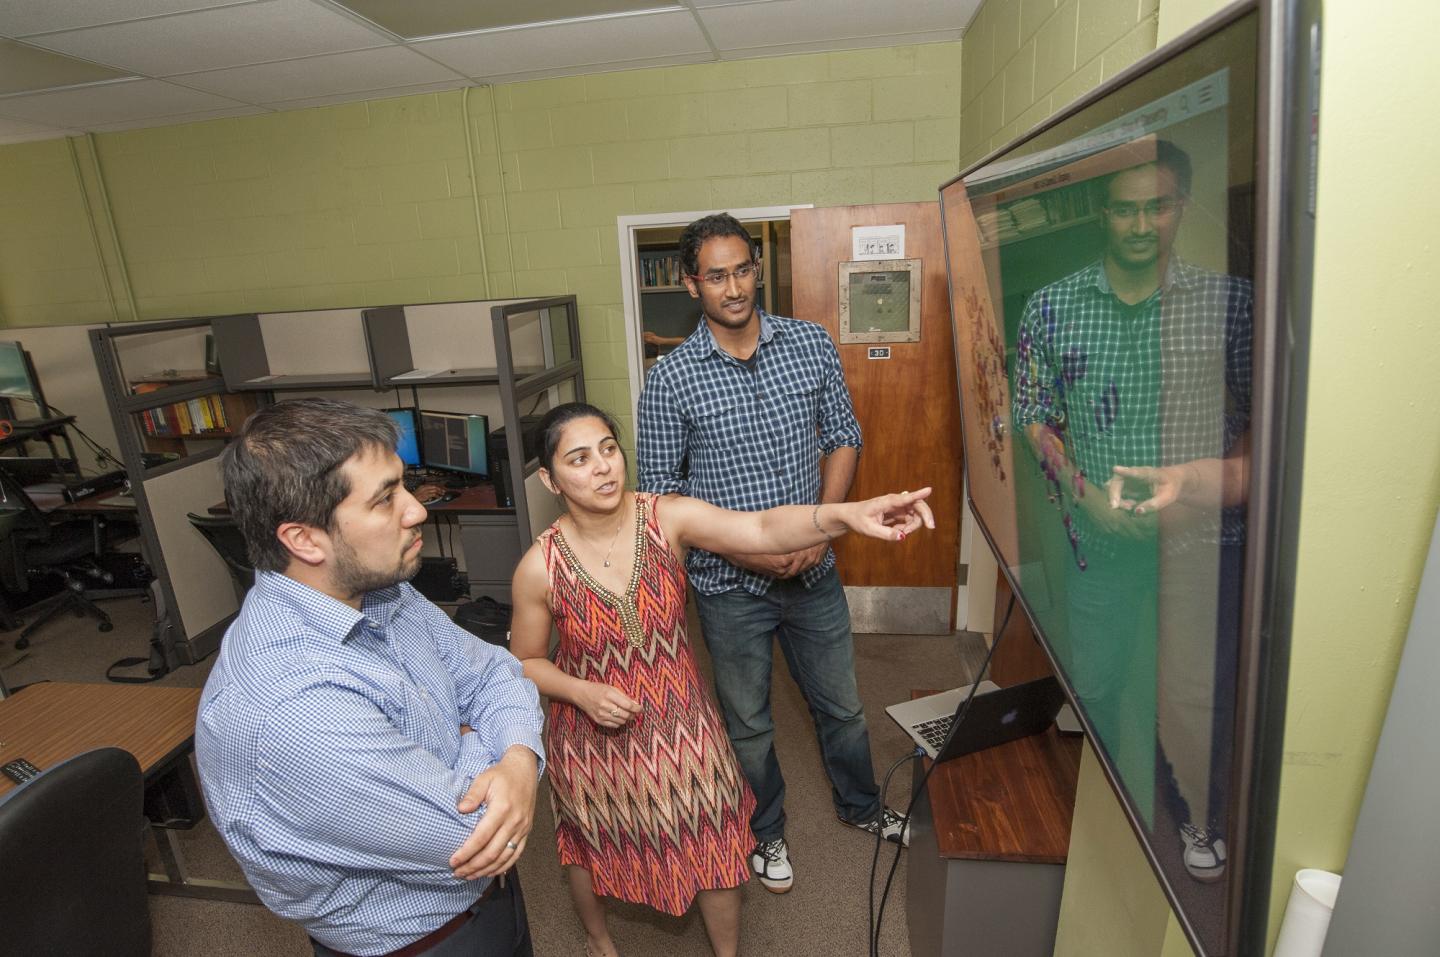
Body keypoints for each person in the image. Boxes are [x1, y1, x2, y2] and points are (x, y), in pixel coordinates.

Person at [511, 402, 934, 956]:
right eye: (580, 458)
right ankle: (598, 941)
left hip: (683, 720)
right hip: (591, 736)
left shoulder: (665, 516)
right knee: (595, 839)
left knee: (713, 831)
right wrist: (582, 692)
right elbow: (524, 660)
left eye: (609, 450)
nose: (602, 468)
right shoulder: (540, 567)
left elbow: (759, 528)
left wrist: (845, 515)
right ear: (550, 477)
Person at [194, 398, 545, 957]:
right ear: (304, 540)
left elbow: (497, 673)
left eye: (403, 486)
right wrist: (488, 744)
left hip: (491, 898)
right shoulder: (292, 705)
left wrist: (518, 760)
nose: (416, 511)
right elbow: (473, 831)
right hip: (421, 942)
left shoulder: (386, 592)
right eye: (385, 500)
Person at [636, 212, 910, 896]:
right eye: (717, 274)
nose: (734, 287)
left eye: (743, 270)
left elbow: (844, 436)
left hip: (815, 570)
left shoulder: (810, 344)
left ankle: (863, 806)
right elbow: (663, 497)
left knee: (842, 705)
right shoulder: (670, 381)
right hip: (729, 588)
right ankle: (767, 832)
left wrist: (817, 533)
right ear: (690, 282)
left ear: (757, 269)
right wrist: (754, 554)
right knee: (750, 724)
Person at [1011, 140, 1251, 883]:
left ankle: (1199, 819)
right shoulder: (1052, 306)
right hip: (1097, 538)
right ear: (1102, 212)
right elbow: (1032, 415)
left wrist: (1207, 481)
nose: (1141, 222)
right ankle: (1112, 803)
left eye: (1158, 204)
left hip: (1201, 541)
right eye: (1125, 206)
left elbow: (1261, 421)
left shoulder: (1230, 303)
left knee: (1190, 687)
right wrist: (1083, 493)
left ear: (1182, 204)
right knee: (1100, 676)